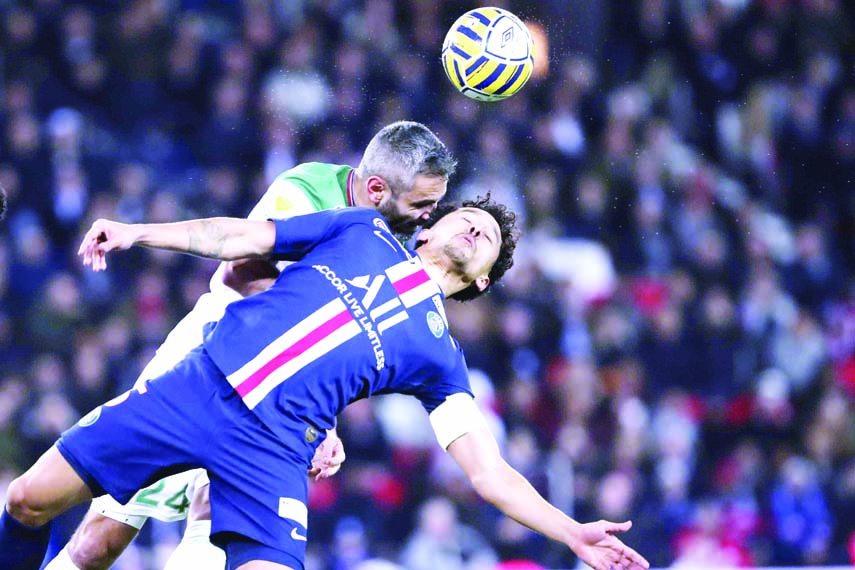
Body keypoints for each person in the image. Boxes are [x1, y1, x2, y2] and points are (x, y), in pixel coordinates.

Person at [1, 195, 650, 570]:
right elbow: (239, 237)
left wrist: (569, 531)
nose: (476, 226)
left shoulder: (440, 358)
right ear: (427, 224)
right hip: (194, 389)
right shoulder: (361, 230)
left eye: (486, 240)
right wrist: (142, 231)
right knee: (27, 501)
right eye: (467, 216)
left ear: (481, 282)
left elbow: (487, 473)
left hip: (273, 452)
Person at [44, 120, 456, 570]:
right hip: (209, 365)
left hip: (275, 401)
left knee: (214, 529)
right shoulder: (307, 191)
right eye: (422, 203)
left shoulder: (394, 232)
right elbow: (239, 270)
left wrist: (322, 416)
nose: (427, 217)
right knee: (102, 541)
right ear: (377, 188)